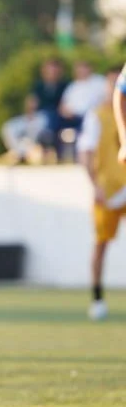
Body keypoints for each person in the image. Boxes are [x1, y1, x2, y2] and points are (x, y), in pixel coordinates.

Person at [78, 68, 126, 321]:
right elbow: (85, 152)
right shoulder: (97, 116)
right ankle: (97, 298)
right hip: (109, 188)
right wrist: (94, 184)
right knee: (101, 244)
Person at [2, 59, 66, 165]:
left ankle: (28, 152)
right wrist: (29, 113)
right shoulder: (38, 86)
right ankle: (21, 152)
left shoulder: (64, 86)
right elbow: (31, 102)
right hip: (35, 117)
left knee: (36, 127)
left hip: (49, 118)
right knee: (9, 127)